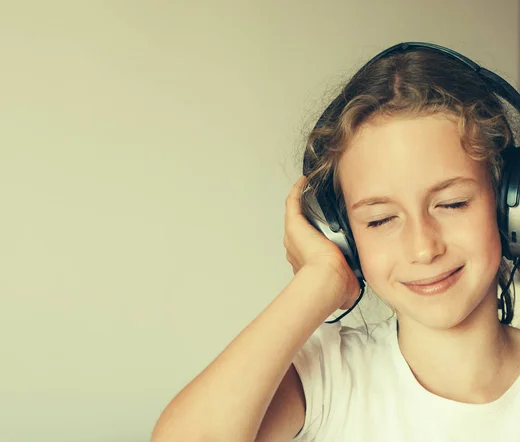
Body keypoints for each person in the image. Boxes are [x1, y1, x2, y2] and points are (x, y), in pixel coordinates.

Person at [150, 43, 520, 442]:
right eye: (380, 220)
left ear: (507, 204)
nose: (423, 248)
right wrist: (320, 279)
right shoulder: (329, 377)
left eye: (452, 203)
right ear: (340, 234)